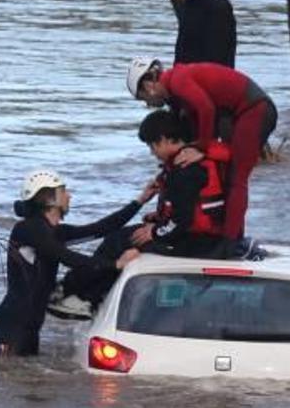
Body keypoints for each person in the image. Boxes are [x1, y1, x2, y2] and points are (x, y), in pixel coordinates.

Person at [49, 110, 231, 319]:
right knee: (121, 238)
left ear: (163, 140)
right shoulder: (193, 163)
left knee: (120, 242)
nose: (152, 152)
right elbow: (187, 210)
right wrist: (156, 219)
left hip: (194, 242)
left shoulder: (184, 171)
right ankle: (85, 294)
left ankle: (81, 294)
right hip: (199, 238)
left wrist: (156, 232)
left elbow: (183, 220)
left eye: (152, 146)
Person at [0, 169, 155, 356]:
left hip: (31, 322)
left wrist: (140, 201)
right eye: (63, 191)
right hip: (13, 322)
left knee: (27, 380)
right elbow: (67, 257)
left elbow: (101, 228)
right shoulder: (27, 229)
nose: (69, 196)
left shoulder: (54, 231)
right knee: (12, 377)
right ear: (49, 199)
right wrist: (115, 264)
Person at [126, 58, 277, 242]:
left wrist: (202, 148)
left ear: (149, 85)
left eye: (144, 99)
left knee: (237, 178)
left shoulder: (178, 81)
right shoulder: (175, 94)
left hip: (255, 109)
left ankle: (230, 244)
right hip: (234, 114)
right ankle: (226, 232)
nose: (148, 105)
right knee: (223, 173)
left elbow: (206, 109)